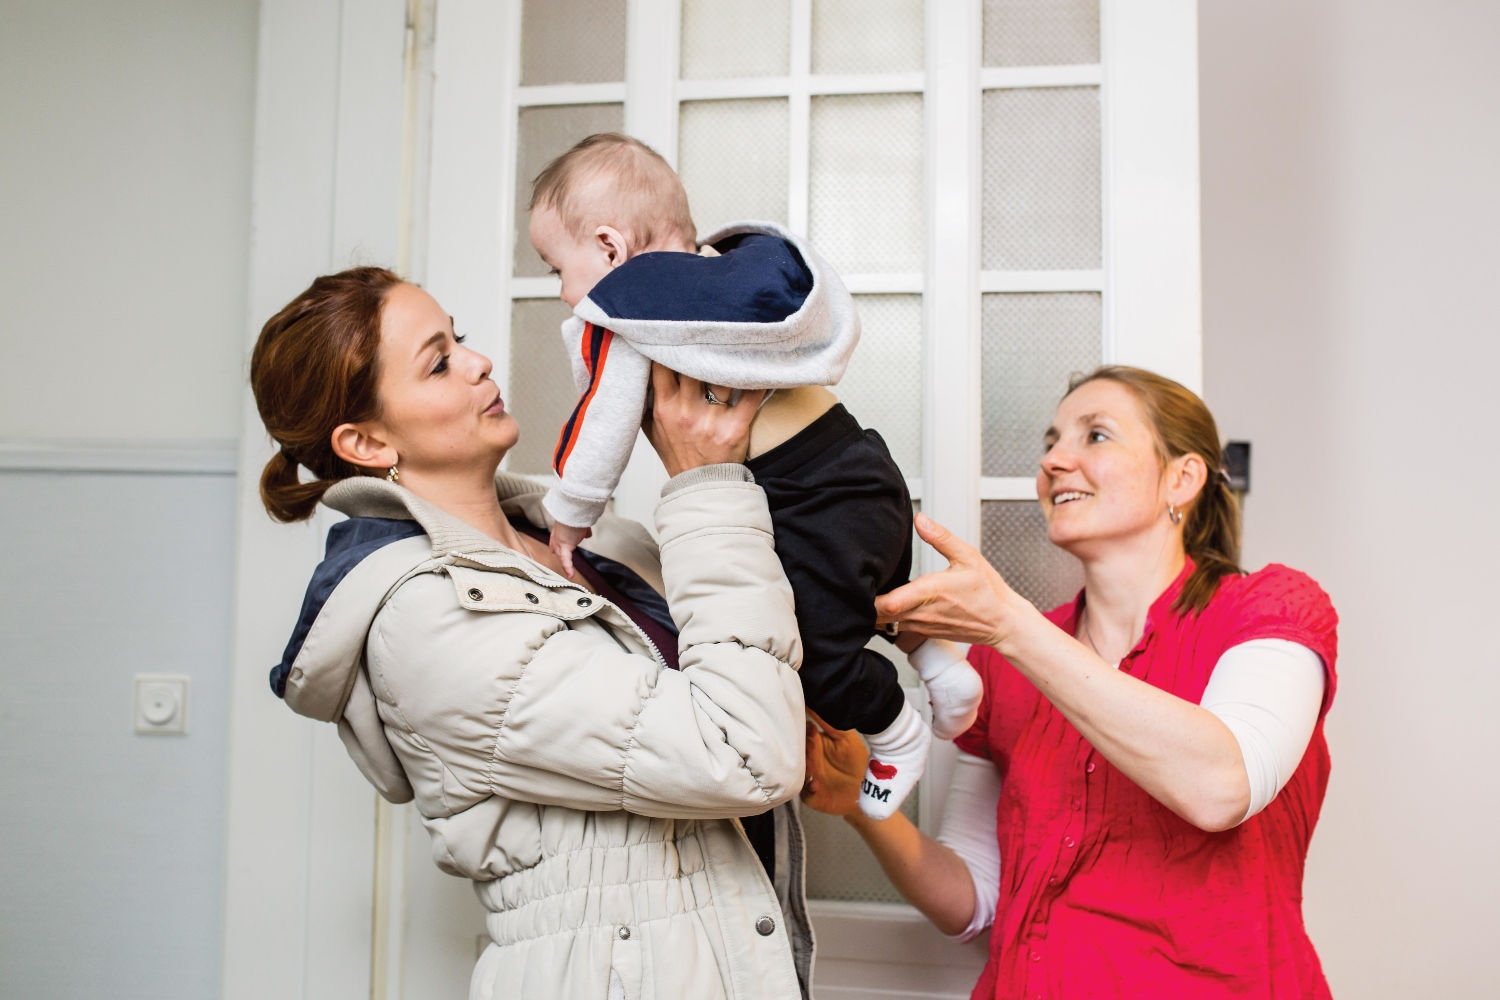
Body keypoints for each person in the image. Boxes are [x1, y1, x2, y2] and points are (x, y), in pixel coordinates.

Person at [251, 266, 816, 1000]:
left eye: (459, 338)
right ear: (365, 442)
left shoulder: (589, 544)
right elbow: (743, 754)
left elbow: (740, 682)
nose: (477, 362)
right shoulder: (429, 624)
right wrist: (704, 483)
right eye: (438, 361)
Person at [803, 366, 1340, 999]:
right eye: (1052, 441)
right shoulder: (1005, 669)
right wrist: (865, 802)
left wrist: (1009, 624)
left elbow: (1224, 786)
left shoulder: (1271, 610)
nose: (1055, 460)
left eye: (1095, 436)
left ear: (1182, 478)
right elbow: (974, 901)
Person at [527, 131, 981, 820]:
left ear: (611, 249)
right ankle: (942, 665)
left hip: (807, 502)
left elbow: (602, 424)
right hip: (860, 465)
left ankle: (896, 731)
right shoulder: (734, 284)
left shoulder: (639, 312)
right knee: (876, 591)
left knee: (808, 644)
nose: (564, 294)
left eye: (557, 267)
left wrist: (569, 512)